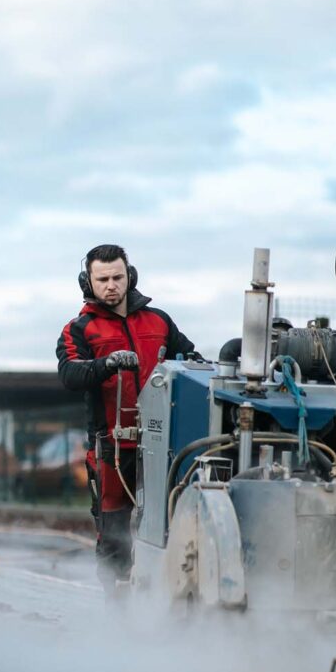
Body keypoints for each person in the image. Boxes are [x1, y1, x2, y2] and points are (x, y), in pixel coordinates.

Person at [56, 243, 195, 589]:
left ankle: (166, 600)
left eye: (117, 277)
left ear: (129, 277)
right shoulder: (80, 330)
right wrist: (108, 363)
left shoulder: (158, 321)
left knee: (170, 525)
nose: (111, 285)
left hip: (163, 446)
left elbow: (191, 360)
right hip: (112, 448)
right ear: (88, 283)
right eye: (102, 279)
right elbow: (70, 374)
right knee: (114, 534)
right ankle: (118, 613)